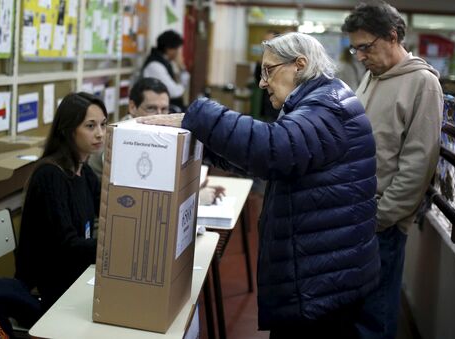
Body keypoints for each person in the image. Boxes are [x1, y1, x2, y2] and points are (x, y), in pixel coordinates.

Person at [139, 32, 380, 338]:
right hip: (323, 272)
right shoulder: (324, 100)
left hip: (322, 282)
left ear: (299, 65)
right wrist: (206, 145)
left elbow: (273, 148)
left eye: (268, 70)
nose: (263, 82)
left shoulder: (327, 107)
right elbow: (274, 160)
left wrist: (198, 116)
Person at [341, 2, 443, 338]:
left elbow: (419, 163)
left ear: (393, 36)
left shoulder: (422, 83)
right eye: (355, 49)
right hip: (356, 213)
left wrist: (381, 216)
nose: (360, 56)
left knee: (375, 315)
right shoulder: (373, 76)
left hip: (380, 222)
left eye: (365, 47)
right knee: (353, 313)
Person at [15, 92, 107, 310]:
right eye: (90, 126)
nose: (100, 134)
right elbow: (67, 247)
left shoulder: (82, 171)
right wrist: (111, 250)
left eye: (103, 125)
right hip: (47, 288)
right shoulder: (50, 176)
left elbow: (108, 210)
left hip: (74, 274)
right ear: (68, 130)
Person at [87, 77, 224, 205]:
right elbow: (140, 198)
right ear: (132, 107)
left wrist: (193, 189)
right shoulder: (122, 139)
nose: (159, 116)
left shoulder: (156, 137)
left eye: (164, 109)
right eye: (151, 108)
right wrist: (196, 199)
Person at [142, 30, 190, 112]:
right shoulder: (155, 65)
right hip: (157, 110)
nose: (179, 53)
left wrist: (181, 68)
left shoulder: (166, 62)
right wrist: (182, 68)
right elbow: (174, 92)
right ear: (169, 49)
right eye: (177, 49)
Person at [253, 30, 282, 122]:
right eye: (264, 42)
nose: (266, 46)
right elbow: (258, 80)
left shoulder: (284, 62)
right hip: (268, 103)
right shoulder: (263, 60)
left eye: (269, 42)